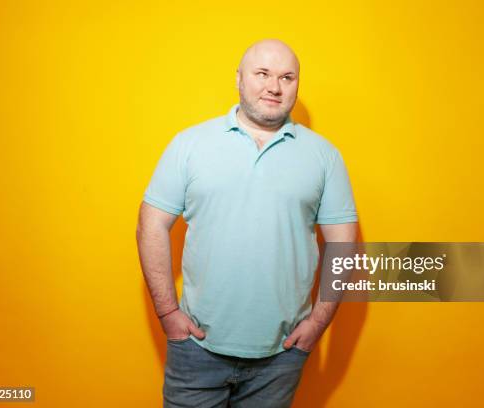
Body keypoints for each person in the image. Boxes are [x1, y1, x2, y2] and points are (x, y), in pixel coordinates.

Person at [136, 38, 358, 407]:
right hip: (196, 349)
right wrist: (167, 312)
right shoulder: (190, 144)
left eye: (287, 77)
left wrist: (318, 322)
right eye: (263, 74)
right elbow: (150, 225)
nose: (274, 86)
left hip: (281, 357)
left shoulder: (324, 155)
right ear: (239, 78)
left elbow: (343, 243)